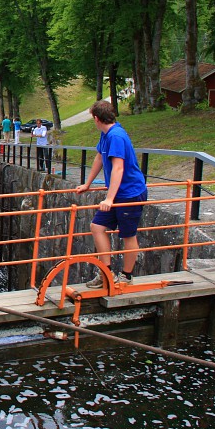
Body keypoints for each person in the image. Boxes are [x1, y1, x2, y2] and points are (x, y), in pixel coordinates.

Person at [74, 100, 147, 288]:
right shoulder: (106, 134)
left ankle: (126, 276)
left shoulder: (116, 136)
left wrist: (109, 198)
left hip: (130, 193)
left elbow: (118, 168)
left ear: (97, 118)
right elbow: (100, 156)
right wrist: (87, 184)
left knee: (128, 235)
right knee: (97, 227)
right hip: (118, 193)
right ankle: (106, 273)